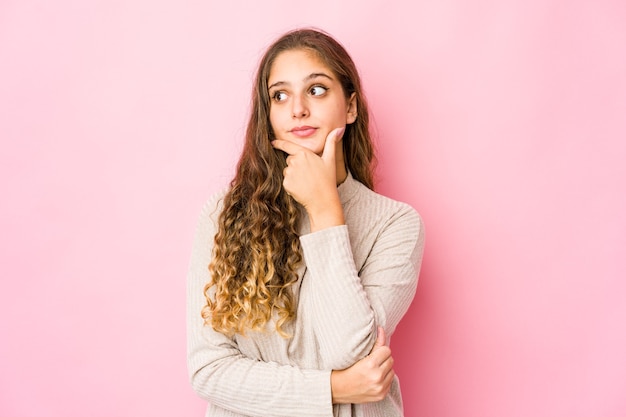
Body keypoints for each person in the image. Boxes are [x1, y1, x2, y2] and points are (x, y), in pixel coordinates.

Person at [187, 28, 425, 417]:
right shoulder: (222, 215)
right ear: (269, 115)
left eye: (316, 90)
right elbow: (209, 370)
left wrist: (326, 210)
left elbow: (348, 350)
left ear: (350, 107)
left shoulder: (396, 225)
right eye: (280, 95)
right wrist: (334, 388)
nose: (297, 109)